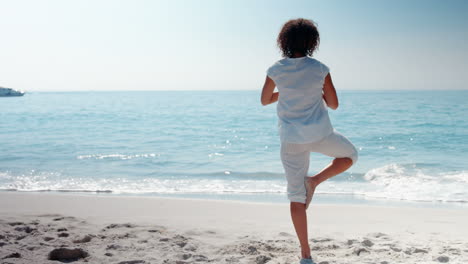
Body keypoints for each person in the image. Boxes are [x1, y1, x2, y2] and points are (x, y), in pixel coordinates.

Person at [260, 18, 358, 264]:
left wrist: (288, 90)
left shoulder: (276, 69)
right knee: (350, 156)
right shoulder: (320, 68)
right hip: (321, 135)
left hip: (291, 140)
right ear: (312, 42)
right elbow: (334, 105)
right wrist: (315, 91)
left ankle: (305, 255)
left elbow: (264, 100)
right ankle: (314, 181)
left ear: (283, 41)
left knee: (296, 197)